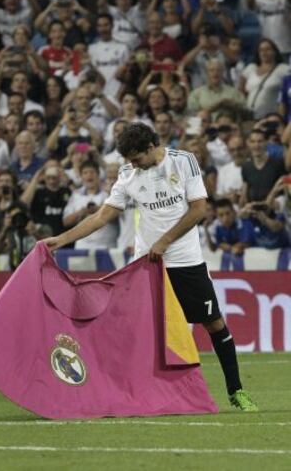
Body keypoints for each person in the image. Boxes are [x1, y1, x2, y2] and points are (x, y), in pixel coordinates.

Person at [43, 122, 258, 411]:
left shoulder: (183, 161)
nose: (133, 164)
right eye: (129, 160)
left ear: (151, 147)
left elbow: (199, 209)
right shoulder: (128, 173)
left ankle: (236, 391)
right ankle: (127, 395)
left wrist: (165, 241)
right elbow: (102, 216)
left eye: (136, 158)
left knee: (213, 323)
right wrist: (63, 239)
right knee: (135, 330)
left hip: (185, 260)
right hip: (146, 265)